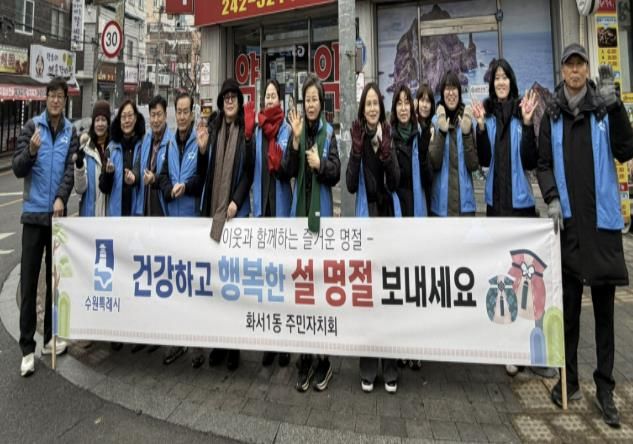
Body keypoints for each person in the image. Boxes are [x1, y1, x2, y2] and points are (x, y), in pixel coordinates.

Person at [537, 44, 633, 428]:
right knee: (570, 312)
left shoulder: (603, 108)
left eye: (580, 65)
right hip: (570, 228)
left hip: (603, 226)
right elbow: (543, 163)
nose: (575, 71)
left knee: (606, 314)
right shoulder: (553, 113)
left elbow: (626, 150)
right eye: (569, 65)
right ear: (562, 71)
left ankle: (605, 388)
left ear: (587, 69)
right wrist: (552, 198)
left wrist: (618, 107)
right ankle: (569, 380)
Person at [12, 77, 78, 376]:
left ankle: (51, 337)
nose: (55, 100)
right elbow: (17, 168)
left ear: (64, 100)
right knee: (28, 283)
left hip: (56, 218)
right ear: (46, 98)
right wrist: (31, 152)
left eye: (60, 96)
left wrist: (61, 197)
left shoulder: (70, 131)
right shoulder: (32, 128)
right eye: (51, 95)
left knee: (55, 282)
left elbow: (70, 170)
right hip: (33, 217)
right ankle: (27, 348)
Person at [282, 74, 340, 392]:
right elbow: (288, 171)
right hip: (299, 219)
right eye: (307, 100)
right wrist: (294, 142)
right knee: (302, 288)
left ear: (322, 101)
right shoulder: (298, 130)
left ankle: (324, 359)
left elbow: (336, 173)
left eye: (316, 99)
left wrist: (320, 164)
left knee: (321, 288)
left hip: (322, 221)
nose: (311, 104)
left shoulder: (329, 133)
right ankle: (304, 356)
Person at [197, 78, 256, 371]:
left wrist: (236, 200)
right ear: (221, 102)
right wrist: (202, 151)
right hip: (212, 214)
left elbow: (249, 172)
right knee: (216, 284)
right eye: (226, 97)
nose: (230, 101)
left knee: (234, 284)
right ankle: (218, 342)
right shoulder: (213, 129)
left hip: (234, 216)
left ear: (239, 102)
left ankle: (234, 346)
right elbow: (203, 173)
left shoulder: (247, 133)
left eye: (234, 96)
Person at [346, 82, 400, 393]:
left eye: (375, 103)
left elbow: (395, 181)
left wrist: (386, 153)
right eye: (367, 104)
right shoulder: (358, 136)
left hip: (386, 221)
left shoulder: (387, 135)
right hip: (365, 223)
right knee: (366, 295)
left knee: (388, 295)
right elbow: (350, 185)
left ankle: (390, 368)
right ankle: (367, 367)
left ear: (381, 106)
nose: (371, 108)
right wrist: (356, 152)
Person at [158, 91, 206, 366]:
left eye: (187, 111)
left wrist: (186, 187)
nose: (183, 116)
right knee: (176, 286)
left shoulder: (199, 142)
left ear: (193, 112)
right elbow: (163, 176)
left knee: (194, 287)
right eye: (179, 111)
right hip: (172, 225)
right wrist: (168, 190)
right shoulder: (169, 144)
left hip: (193, 223)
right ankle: (177, 342)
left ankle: (197, 345)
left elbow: (202, 177)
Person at [99, 99, 145, 352]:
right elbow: (104, 187)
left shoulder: (142, 144)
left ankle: (136, 328)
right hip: (116, 219)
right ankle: (116, 329)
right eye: (124, 116)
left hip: (136, 220)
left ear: (136, 119)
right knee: (117, 276)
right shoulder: (112, 147)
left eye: (131, 116)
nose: (127, 120)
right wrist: (108, 174)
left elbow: (141, 173)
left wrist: (134, 177)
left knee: (135, 276)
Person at [253, 79, 293, 368]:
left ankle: (285, 342)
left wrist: (279, 162)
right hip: (262, 209)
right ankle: (268, 341)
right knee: (266, 278)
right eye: (266, 96)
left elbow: (286, 167)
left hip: (280, 207)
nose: (269, 100)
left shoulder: (286, 129)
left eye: (273, 95)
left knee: (283, 277)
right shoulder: (257, 131)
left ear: (280, 99)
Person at [395, 84, 434, 371]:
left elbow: (428, 177)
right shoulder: (389, 137)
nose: (404, 107)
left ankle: (417, 344)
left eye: (407, 102)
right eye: (399, 103)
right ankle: (401, 343)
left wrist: (424, 151)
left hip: (418, 210)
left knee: (417, 282)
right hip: (398, 213)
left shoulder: (421, 135)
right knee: (399, 282)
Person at [429, 72, 479, 216]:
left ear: (459, 92)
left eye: (454, 88)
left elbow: (473, 165)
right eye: (447, 89)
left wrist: (466, 134)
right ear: (442, 93)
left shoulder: (467, 120)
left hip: (465, 207)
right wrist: (442, 132)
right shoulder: (434, 122)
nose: (451, 93)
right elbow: (434, 163)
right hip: (441, 207)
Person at [135, 94, 171, 218]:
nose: (156, 120)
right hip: (145, 209)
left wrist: (154, 178)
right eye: (153, 115)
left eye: (159, 114)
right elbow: (139, 165)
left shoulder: (172, 143)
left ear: (165, 115)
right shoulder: (146, 140)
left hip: (163, 210)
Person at [74, 100, 111, 218]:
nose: (100, 124)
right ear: (93, 123)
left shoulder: (115, 148)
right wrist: (79, 166)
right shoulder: (85, 148)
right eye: (97, 120)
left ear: (108, 123)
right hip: (89, 217)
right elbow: (80, 189)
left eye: (103, 120)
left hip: (110, 218)